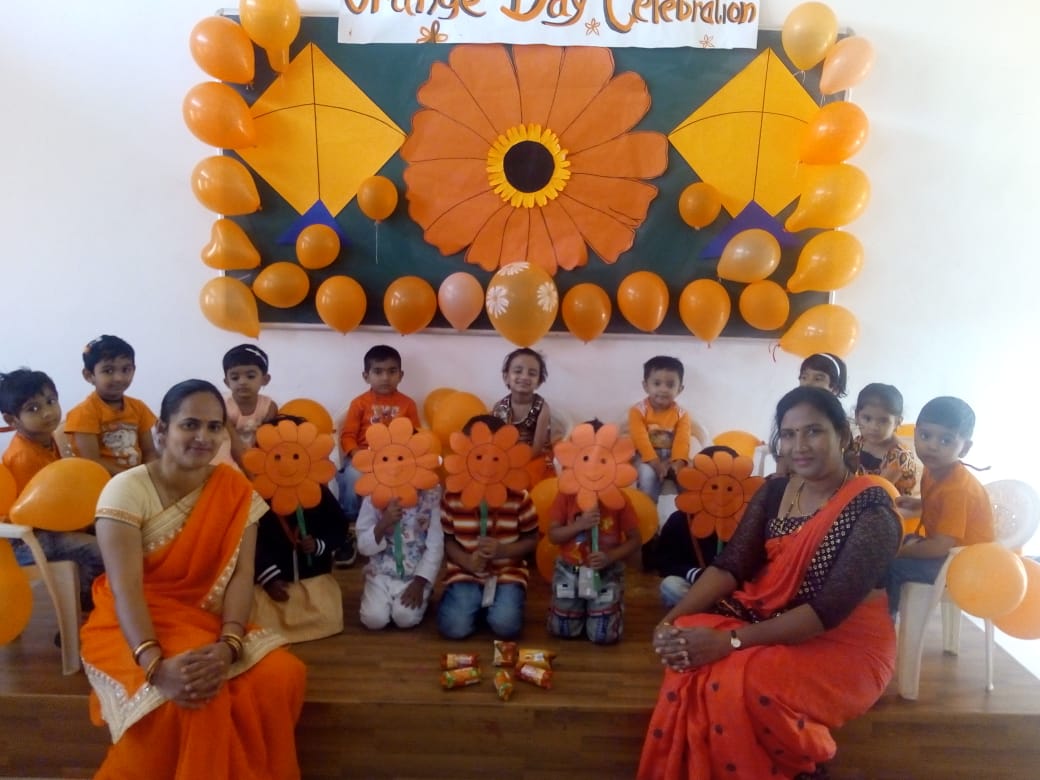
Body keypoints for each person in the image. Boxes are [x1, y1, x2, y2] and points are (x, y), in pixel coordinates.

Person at [639, 386, 902, 780]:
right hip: (770, 616)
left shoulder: (872, 512)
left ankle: (800, 767)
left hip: (844, 642)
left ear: (843, 435)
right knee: (687, 641)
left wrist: (729, 642)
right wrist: (669, 621)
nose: (800, 446)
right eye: (789, 434)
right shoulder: (775, 491)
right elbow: (730, 566)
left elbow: (826, 612)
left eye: (813, 431)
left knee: (744, 679)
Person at [80, 379, 306, 779]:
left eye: (214, 427)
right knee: (198, 698)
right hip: (131, 622)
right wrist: (154, 665)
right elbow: (125, 589)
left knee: (282, 674)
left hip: (203, 618)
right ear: (161, 430)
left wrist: (230, 644)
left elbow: (242, 576)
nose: (203, 437)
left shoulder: (234, 489)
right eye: (190, 424)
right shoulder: (125, 491)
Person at [1, 368, 104, 611]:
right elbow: (39, 514)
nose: (48, 412)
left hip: (49, 527)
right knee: (100, 550)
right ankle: (85, 606)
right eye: (33, 409)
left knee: (110, 530)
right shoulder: (23, 456)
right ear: (12, 420)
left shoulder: (49, 439)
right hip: (27, 538)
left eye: (51, 401)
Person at [885, 396, 994, 617]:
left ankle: (885, 621)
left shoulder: (958, 489)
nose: (932, 446)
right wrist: (920, 503)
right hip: (946, 550)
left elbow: (940, 547)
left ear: (965, 448)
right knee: (885, 540)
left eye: (946, 441)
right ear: (915, 434)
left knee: (891, 567)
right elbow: (941, 506)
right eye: (925, 436)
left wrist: (898, 552)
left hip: (965, 564)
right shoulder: (933, 469)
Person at [437, 415, 539, 640]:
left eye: (494, 457)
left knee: (506, 626)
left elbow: (532, 539)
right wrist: (466, 561)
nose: (486, 465)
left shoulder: (518, 497)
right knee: (454, 628)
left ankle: (490, 607)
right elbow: (449, 540)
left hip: (507, 572)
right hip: (465, 572)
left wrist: (504, 550)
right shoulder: (452, 496)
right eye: (478, 456)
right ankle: (473, 605)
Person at [546, 423, 641, 644]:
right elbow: (553, 535)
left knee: (603, 636)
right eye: (586, 458)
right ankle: (576, 608)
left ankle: (607, 607)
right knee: (563, 630)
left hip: (606, 571)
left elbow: (635, 540)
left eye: (602, 460)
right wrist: (579, 525)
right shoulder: (565, 495)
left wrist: (610, 557)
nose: (593, 467)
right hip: (569, 569)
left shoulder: (620, 500)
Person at [334, 345, 420, 567]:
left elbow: (415, 436)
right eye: (378, 371)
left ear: (401, 375)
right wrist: (358, 455)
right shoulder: (359, 403)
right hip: (365, 457)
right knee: (352, 475)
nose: (385, 377)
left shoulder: (408, 404)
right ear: (366, 376)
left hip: (396, 461)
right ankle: (349, 527)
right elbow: (348, 436)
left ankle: (400, 527)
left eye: (392, 371)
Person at [652, 446, 738, 609]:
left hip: (734, 588)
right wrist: (694, 573)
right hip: (695, 587)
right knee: (671, 586)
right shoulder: (680, 519)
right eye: (712, 484)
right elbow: (664, 562)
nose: (719, 492)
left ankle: (723, 611)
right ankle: (713, 611)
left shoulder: (745, 519)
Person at [65, 335, 157, 475]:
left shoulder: (139, 407)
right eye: (108, 371)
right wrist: (130, 478)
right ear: (89, 375)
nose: (119, 378)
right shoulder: (83, 413)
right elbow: (92, 462)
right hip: (101, 481)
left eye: (125, 369)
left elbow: (149, 452)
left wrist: (151, 475)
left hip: (137, 479)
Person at [356, 486, 443, 629]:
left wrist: (420, 582)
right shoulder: (374, 493)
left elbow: (435, 545)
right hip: (380, 572)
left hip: (414, 575)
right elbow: (363, 546)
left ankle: (425, 595)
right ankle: (375, 595)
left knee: (404, 618)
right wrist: (383, 523)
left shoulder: (431, 495)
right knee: (374, 620)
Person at [773, 352, 850, 478]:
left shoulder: (845, 424)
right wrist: (781, 475)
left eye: (818, 379)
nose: (808, 383)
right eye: (804, 377)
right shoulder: (792, 413)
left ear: (835, 388)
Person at [629, 356, 693, 504]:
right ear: (646, 386)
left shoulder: (682, 414)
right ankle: (648, 514)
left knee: (689, 477)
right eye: (657, 383)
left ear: (680, 389)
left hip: (673, 456)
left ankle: (689, 515)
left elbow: (682, 440)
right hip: (647, 457)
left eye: (670, 385)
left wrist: (678, 462)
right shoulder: (638, 411)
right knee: (647, 476)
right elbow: (640, 439)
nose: (663, 390)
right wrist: (655, 464)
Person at [491, 348, 553, 475]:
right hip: (506, 458)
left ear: (539, 382)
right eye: (518, 371)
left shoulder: (542, 408)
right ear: (506, 377)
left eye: (532, 373)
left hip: (534, 457)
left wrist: (519, 463)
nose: (524, 377)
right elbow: (495, 441)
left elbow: (538, 446)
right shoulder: (499, 407)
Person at [849, 383, 917, 496]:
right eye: (867, 418)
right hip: (863, 493)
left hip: (889, 500)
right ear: (857, 416)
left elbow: (877, 489)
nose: (874, 427)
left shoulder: (900, 455)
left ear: (897, 422)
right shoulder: (859, 442)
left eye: (883, 421)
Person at [219, 344, 279, 469]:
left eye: (250, 376)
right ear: (227, 382)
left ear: (265, 379)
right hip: (227, 454)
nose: (242, 382)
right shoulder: (222, 405)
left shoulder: (269, 407)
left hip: (257, 455)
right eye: (235, 378)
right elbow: (229, 441)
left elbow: (267, 439)